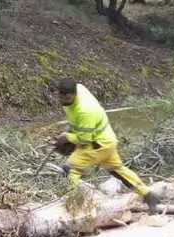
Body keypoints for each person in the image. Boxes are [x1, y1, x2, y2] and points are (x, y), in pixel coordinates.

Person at [53, 78, 161, 211]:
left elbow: (85, 138)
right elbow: (79, 124)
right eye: (61, 95)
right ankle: (149, 195)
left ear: (74, 94)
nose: (63, 99)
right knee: (118, 170)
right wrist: (71, 130)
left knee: (70, 170)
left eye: (67, 97)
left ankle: (73, 206)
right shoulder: (78, 88)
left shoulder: (85, 111)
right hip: (107, 140)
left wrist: (66, 137)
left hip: (97, 145)